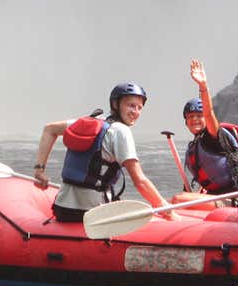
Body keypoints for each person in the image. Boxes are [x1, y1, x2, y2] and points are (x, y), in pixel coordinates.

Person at [33, 82, 179, 222]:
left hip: (62, 209)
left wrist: (39, 170)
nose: (135, 112)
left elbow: (49, 129)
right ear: (116, 104)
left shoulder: (90, 121)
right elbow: (139, 180)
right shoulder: (121, 131)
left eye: (139, 108)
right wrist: (165, 208)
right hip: (93, 215)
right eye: (131, 106)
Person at [171, 59, 238, 209]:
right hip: (216, 196)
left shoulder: (214, 136)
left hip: (236, 197)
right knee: (173, 200)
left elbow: (209, 114)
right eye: (190, 117)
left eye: (199, 116)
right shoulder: (195, 145)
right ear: (186, 122)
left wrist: (203, 87)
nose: (194, 119)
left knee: (178, 199)